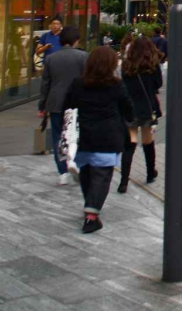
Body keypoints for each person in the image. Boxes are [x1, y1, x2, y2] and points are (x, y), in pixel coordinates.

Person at [61, 46, 133, 233]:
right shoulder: (116, 85)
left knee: (87, 173)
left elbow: (67, 107)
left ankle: (89, 205)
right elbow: (129, 111)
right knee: (101, 175)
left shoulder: (78, 83)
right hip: (108, 137)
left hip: (82, 137)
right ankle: (91, 216)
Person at [38, 25, 86, 185]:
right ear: (75, 40)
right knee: (77, 134)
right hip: (77, 103)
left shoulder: (51, 58)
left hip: (56, 102)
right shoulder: (83, 57)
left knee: (57, 136)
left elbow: (45, 84)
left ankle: (62, 172)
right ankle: (75, 162)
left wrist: (42, 106)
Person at [117, 34, 163, 193]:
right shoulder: (152, 65)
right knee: (148, 140)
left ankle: (124, 181)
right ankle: (151, 172)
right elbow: (159, 84)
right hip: (147, 108)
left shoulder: (126, 65)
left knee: (130, 143)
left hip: (130, 109)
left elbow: (122, 85)